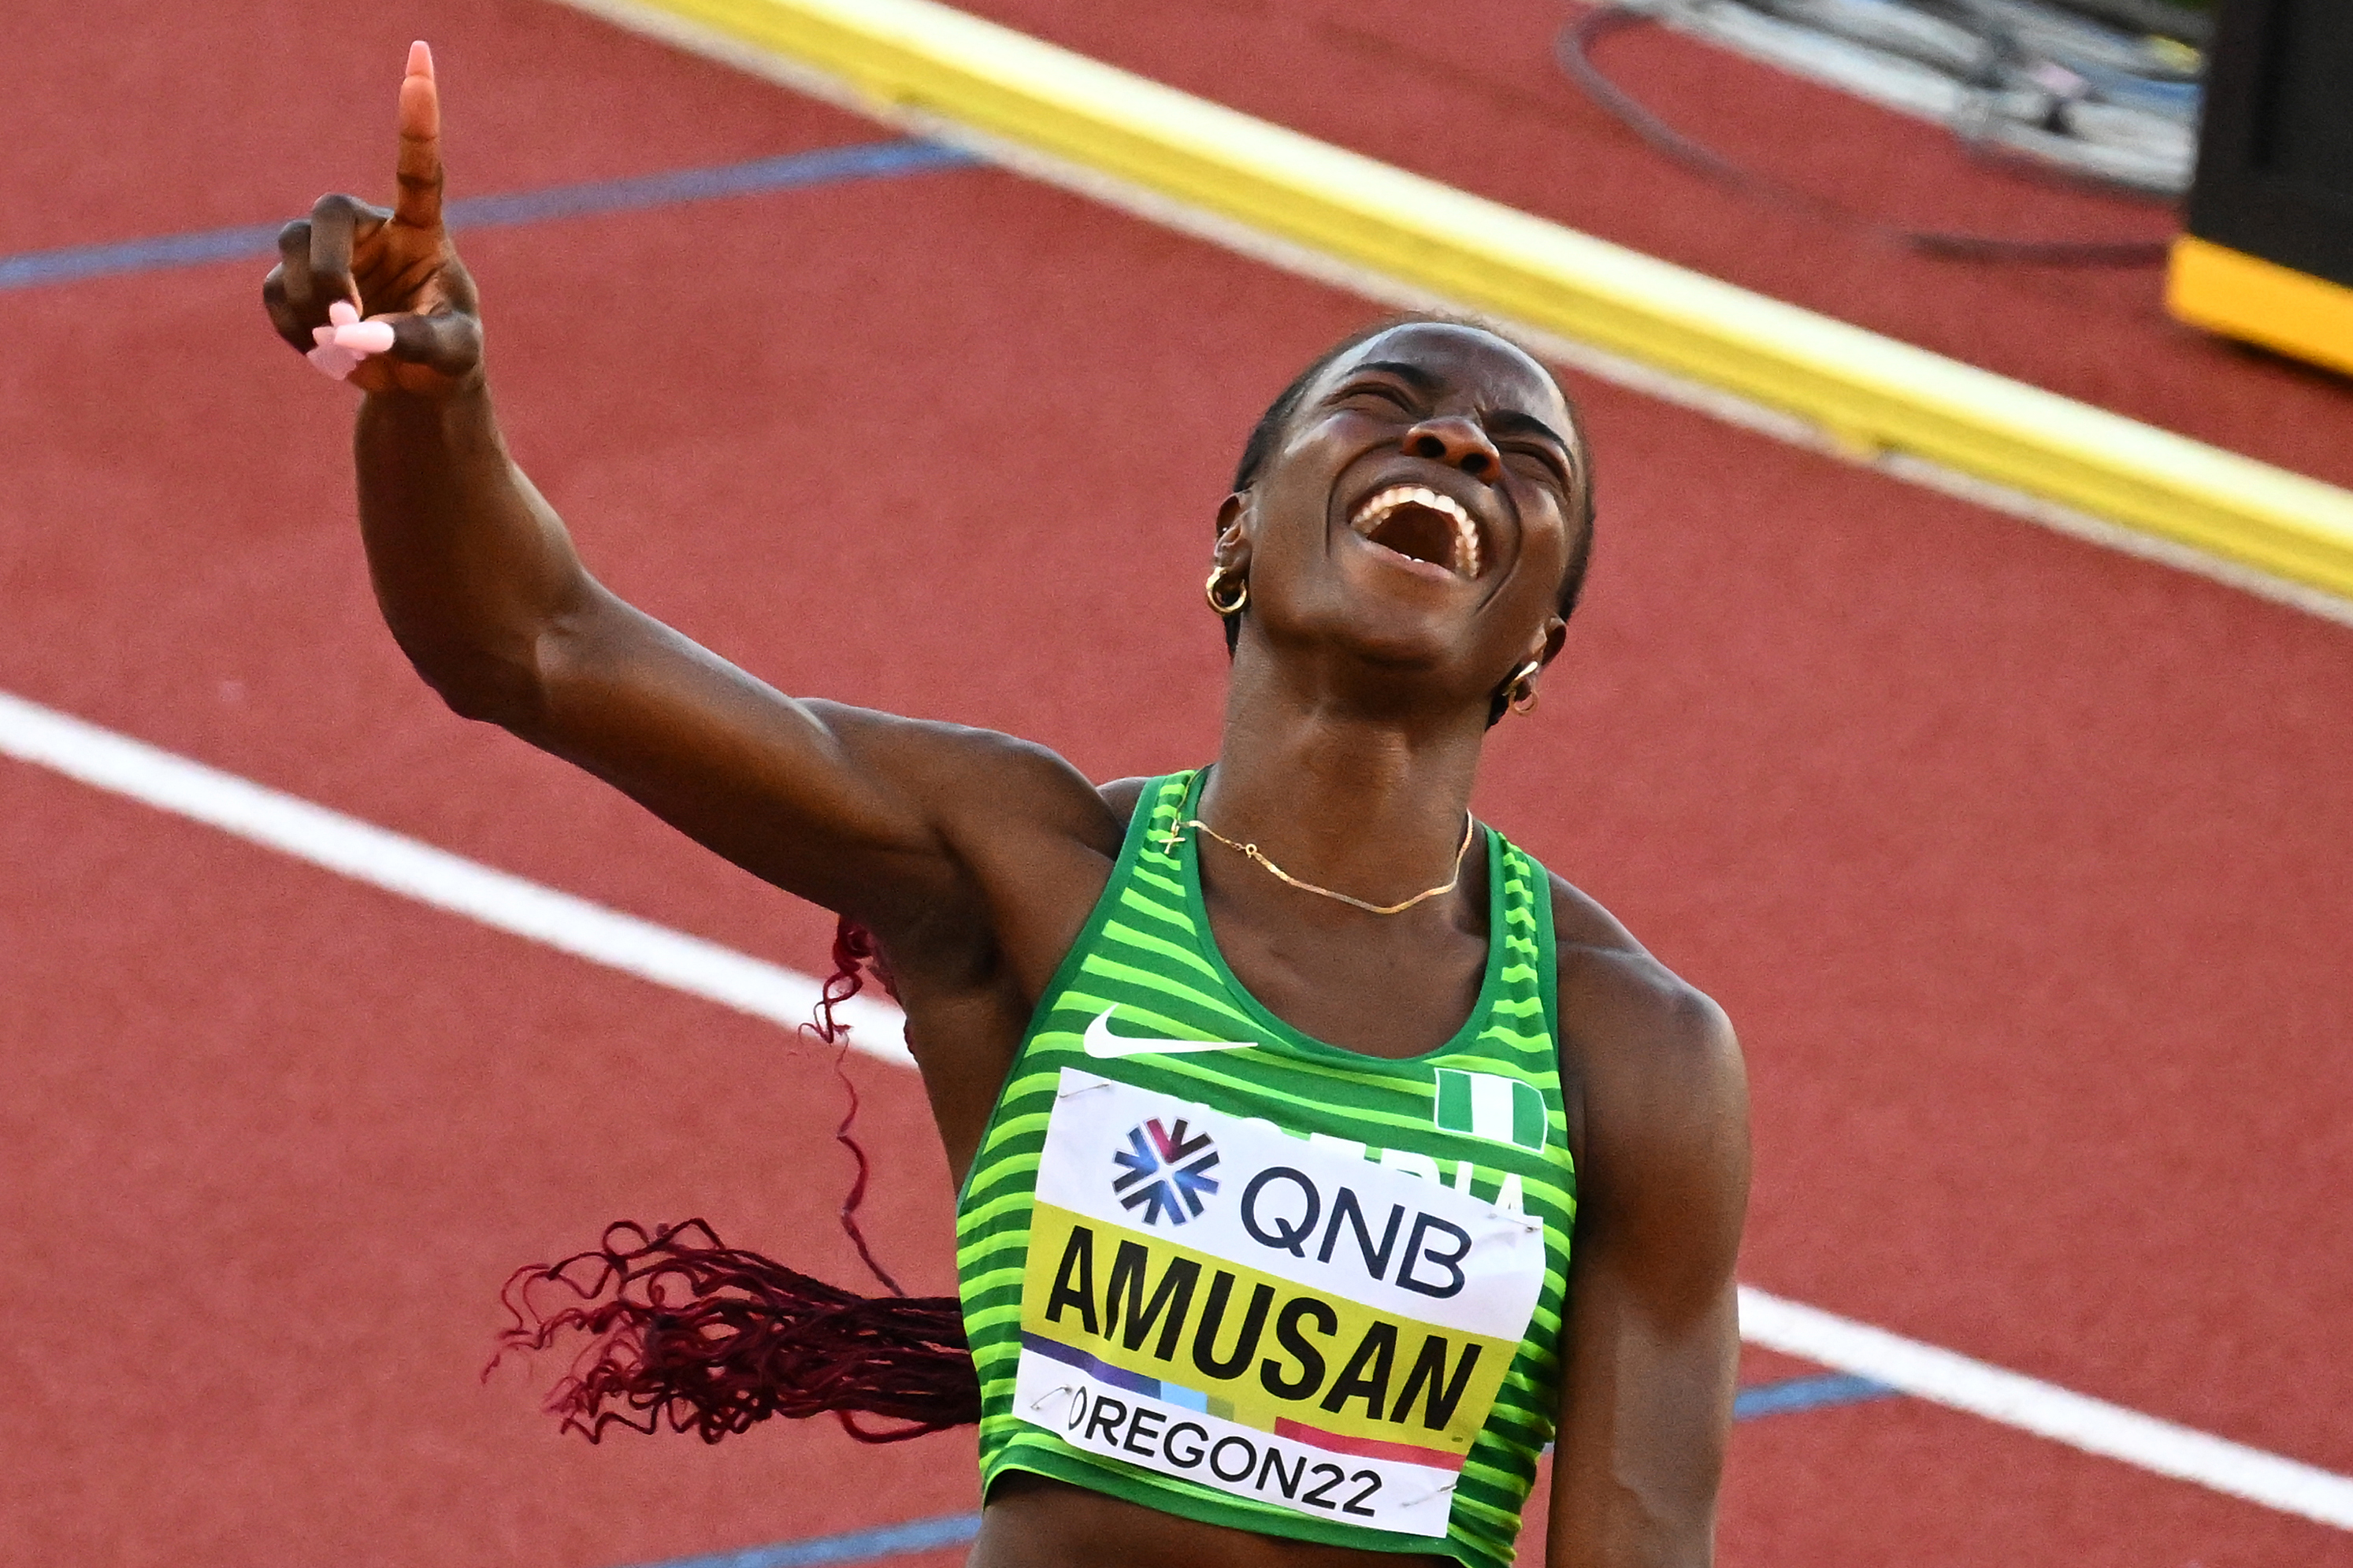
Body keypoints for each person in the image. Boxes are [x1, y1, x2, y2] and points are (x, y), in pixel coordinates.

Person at [263, 43, 1750, 1568]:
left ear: (1539, 645)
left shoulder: (1625, 1056)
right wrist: (426, 410)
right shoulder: (1035, 880)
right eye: (1388, 404)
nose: (1456, 444)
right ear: (1236, 535)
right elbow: (532, 643)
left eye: (1527, 460)